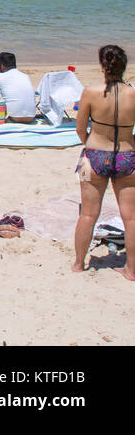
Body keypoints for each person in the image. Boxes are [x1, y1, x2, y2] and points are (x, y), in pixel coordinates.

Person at [71, 45, 135, 279]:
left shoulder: (90, 92)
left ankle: (79, 264)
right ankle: (131, 270)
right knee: (131, 217)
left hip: (94, 156)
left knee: (88, 214)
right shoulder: (133, 93)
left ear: (102, 66)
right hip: (127, 157)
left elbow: (80, 129)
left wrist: (91, 142)